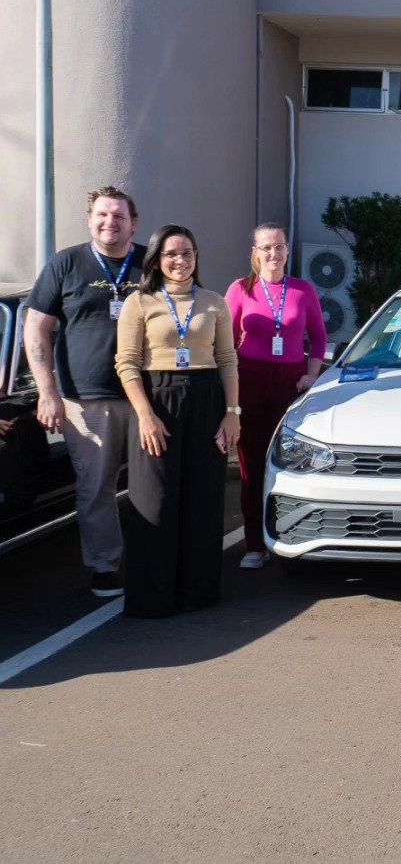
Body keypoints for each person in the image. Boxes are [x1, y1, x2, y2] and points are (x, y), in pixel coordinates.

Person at [24, 186, 145, 598]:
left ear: (134, 223)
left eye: (119, 216)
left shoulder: (151, 264)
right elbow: (36, 327)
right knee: (96, 489)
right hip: (86, 399)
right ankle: (105, 565)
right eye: (102, 215)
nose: (110, 222)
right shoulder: (66, 264)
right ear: (90, 218)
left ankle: (155, 560)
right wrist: (47, 392)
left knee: (153, 483)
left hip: (148, 398)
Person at [115, 225, 240, 617]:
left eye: (187, 252)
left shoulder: (214, 301)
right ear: (156, 258)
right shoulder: (140, 302)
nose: (180, 260)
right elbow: (127, 363)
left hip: (207, 400)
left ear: (196, 257)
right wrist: (145, 415)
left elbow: (227, 361)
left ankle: (196, 593)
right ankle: (153, 598)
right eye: (171, 254)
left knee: (203, 499)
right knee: (156, 501)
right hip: (158, 401)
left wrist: (232, 414)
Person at [225, 223, 327, 569]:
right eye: (266, 247)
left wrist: (311, 374)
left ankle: (292, 536)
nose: (273, 254)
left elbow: (318, 337)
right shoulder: (240, 289)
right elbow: (224, 341)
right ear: (255, 251)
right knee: (251, 465)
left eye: (279, 246)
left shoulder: (302, 290)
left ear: (287, 250)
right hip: (249, 380)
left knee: (289, 463)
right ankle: (254, 543)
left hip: (289, 384)